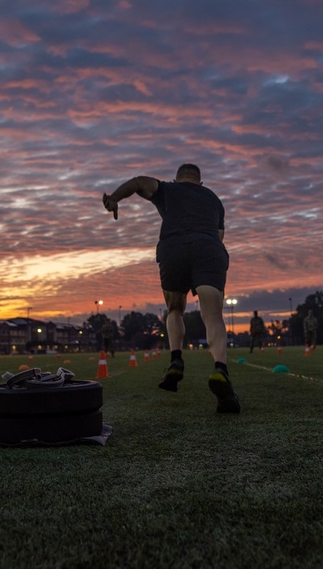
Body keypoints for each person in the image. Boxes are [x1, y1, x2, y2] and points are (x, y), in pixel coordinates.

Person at [102, 163, 239, 413]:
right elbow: (220, 235)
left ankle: (176, 360)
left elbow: (138, 181)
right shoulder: (214, 199)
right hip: (208, 248)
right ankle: (220, 369)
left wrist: (114, 198)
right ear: (201, 181)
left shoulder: (167, 190)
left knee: (174, 308)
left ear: (177, 179)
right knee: (213, 315)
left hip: (173, 248)